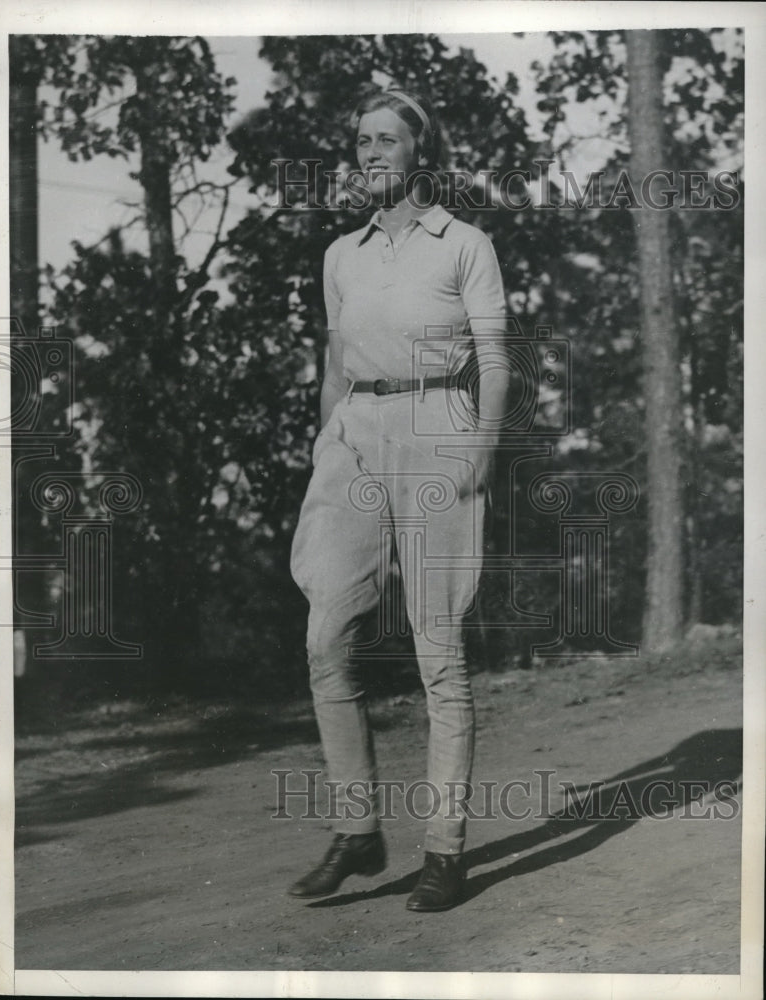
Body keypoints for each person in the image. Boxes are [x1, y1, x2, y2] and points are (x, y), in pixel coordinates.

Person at [288, 86, 509, 912]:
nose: (369, 152)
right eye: (360, 140)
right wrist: (324, 446)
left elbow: (494, 357)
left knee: (437, 651)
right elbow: (336, 365)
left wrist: (482, 446)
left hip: (440, 425)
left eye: (385, 138)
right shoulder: (341, 254)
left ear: (420, 150)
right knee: (326, 635)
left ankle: (443, 851)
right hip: (354, 435)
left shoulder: (464, 244)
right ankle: (357, 829)